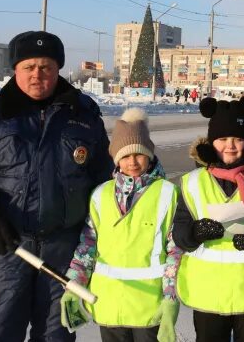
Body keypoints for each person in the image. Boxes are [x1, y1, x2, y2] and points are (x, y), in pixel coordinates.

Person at [0, 31, 113, 341]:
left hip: (66, 249)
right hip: (9, 248)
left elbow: (104, 181)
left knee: (56, 336)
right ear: (15, 69)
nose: (37, 75)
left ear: (57, 69)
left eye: (45, 67)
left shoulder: (84, 116)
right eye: (28, 67)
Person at [61, 107, 181, 342]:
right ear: (116, 159)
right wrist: (73, 285)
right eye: (125, 156)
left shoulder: (168, 193)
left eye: (139, 154)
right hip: (109, 303)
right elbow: (87, 247)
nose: (132, 162)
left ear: (150, 155)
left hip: (149, 306)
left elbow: (174, 252)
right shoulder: (100, 195)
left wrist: (170, 298)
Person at [173, 95, 244, 341]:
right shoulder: (192, 182)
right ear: (211, 142)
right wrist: (194, 233)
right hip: (208, 295)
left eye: (237, 139)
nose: (230, 146)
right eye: (222, 139)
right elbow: (179, 233)